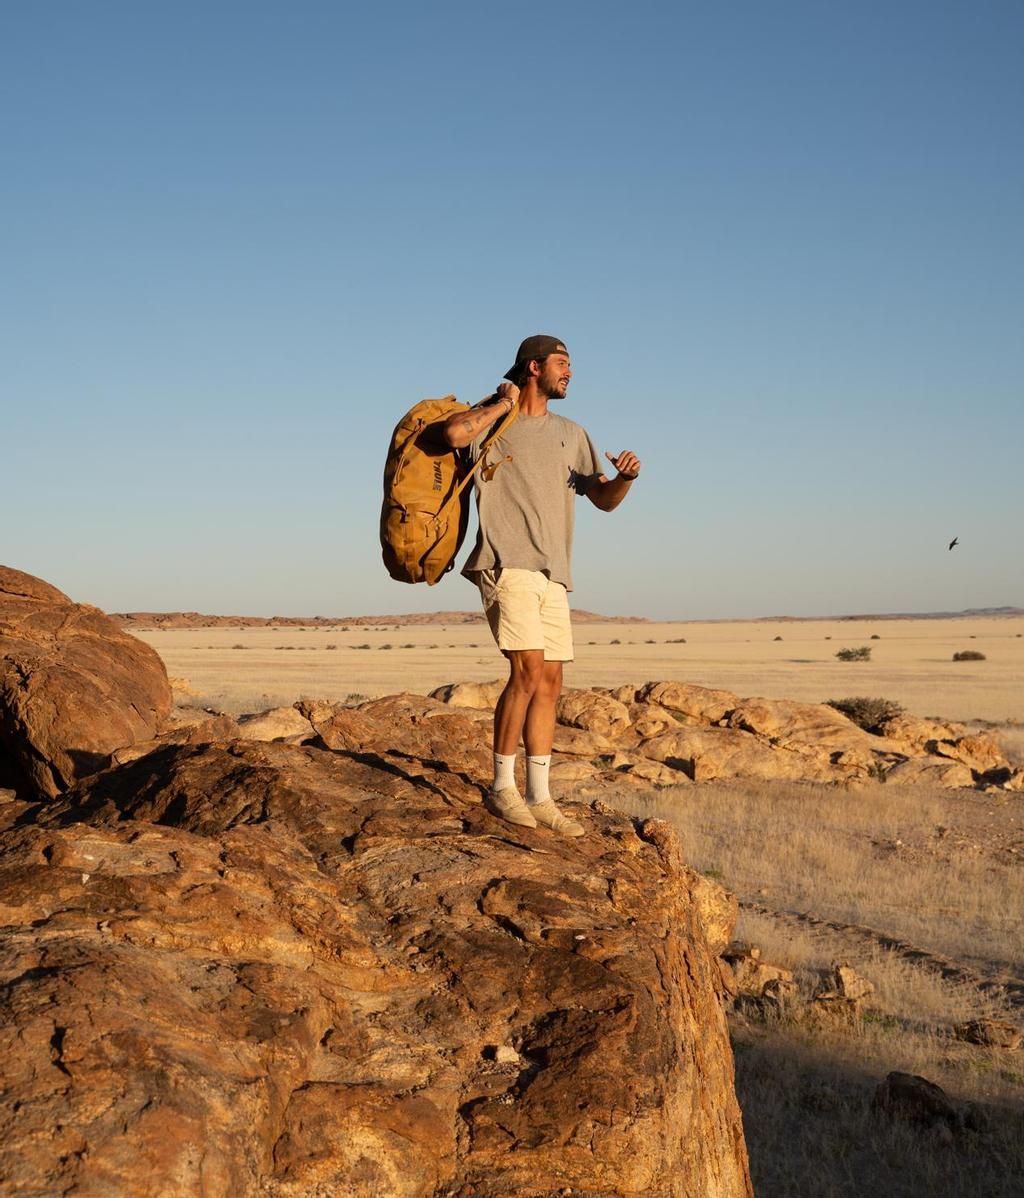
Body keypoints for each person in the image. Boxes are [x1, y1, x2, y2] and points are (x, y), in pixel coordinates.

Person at [441, 335, 640, 837]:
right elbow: (453, 436)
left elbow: (605, 500)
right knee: (526, 671)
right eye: (561, 364)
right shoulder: (495, 420)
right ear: (534, 368)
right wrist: (501, 402)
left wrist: (625, 479)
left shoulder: (572, 434)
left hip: (554, 571)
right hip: (505, 561)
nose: (570, 372)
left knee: (551, 681)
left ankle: (540, 796)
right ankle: (502, 788)